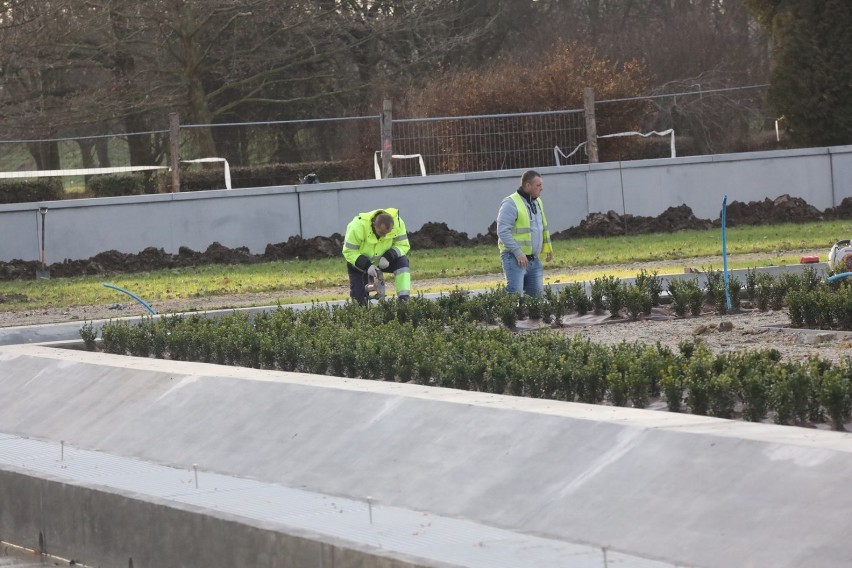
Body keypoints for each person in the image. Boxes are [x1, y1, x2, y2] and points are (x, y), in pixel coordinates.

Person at [496, 170, 553, 296]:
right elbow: (502, 231)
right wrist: (518, 252)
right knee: (514, 296)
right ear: (527, 185)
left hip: (533, 259)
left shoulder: (537, 202)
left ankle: (534, 316)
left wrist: (548, 248)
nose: (541, 189)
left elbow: (540, 227)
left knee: (537, 299)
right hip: (514, 258)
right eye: (538, 185)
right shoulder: (510, 203)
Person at [342, 208, 411, 303]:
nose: (384, 236)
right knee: (359, 303)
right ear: (374, 224)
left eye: (387, 233)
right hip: (360, 264)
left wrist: (389, 256)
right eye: (381, 233)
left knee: (402, 261)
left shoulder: (398, 223)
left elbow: (403, 245)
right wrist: (367, 265)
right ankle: (361, 304)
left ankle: (404, 300)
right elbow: (349, 251)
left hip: (385, 261)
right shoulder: (357, 226)